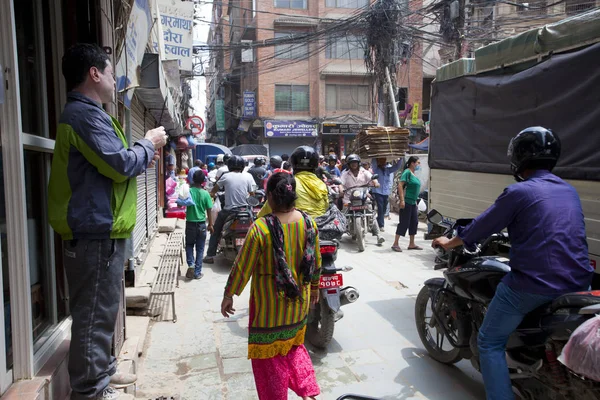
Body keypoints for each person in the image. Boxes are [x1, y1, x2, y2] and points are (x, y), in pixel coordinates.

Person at [433, 127, 592, 400]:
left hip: (534, 284)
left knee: (488, 341)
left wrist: (449, 242)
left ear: (519, 158)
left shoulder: (519, 192)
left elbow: (480, 226)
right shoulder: (568, 190)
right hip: (580, 281)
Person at [48, 43, 168, 400]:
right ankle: (89, 391)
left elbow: (112, 165)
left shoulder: (92, 114)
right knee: (92, 318)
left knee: (101, 315)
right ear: (94, 73)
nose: (116, 79)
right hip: (94, 232)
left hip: (102, 230)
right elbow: (120, 164)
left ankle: (99, 374)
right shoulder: (84, 116)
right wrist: (148, 143)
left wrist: (138, 153)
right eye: (112, 71)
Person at [221, 172, 321, 400]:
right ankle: (308, 393)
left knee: (270, 360)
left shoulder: (261, 228)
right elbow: (315, 260)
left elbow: (242, 266)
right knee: (293, 348)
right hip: (298, 306)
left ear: (269, 197)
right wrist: (314, 287)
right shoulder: (308, 223)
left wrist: (229, 294)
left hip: (269, 311)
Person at [204, 155, 255, 264]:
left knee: (215, 231)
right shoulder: (249, 176)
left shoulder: (225, 177)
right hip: (245, 210)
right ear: (242, 166)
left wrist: (212, 194)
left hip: (228, 211)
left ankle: (209, 255)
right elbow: (253, 193)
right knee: (255, 229)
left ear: (229, 165)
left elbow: (213, 191)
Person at [258, 146, 329, 219]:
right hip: (320, 226)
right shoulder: (322, 184)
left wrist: (258, 217)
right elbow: (326, 206)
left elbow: (270, 206)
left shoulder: (288, 183)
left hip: (297, 226)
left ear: (293, 163)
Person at [178, 170, 214, 280]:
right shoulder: (205, 193)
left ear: (192, 179)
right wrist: (211, 225)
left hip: (190, 223)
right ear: (203, 181)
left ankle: (191, 265)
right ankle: (197, 273)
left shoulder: (189, 191)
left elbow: (180, 205)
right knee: (200, 248)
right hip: (202, 224)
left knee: (189, 245)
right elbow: (209, 210)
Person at [392, 156, 422, 252]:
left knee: (414, 222)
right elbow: (400, 185)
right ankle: (395, 243)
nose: (418, 165)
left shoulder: (413, 174)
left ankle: (411, 244)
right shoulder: (407, 172)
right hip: (407, 201)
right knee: (404, 222)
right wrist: (402, 200)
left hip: (413, 203)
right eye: (418, 162)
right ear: (412, 163)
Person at [371, 158, 401, 232]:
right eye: (381, 160)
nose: (383, 162)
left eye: (384, 160)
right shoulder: (375, 169)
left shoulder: (388, 170)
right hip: (377, 192)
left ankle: (378, 221)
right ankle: (381, 225)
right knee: (380, 208)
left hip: (385, 192)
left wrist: (401, 158)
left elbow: (397, 167)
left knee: (384, 209)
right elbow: (373, 160)